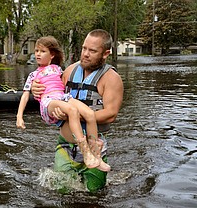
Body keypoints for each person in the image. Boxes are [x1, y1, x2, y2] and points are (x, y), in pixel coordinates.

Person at [31, 29, 124, 192]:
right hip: (65, 146)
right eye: (84, 48)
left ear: (105, 54)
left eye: (92, 51)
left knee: (94, 194)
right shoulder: (69, 71)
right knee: (62, 191)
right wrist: (35, 89)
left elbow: (111, 114)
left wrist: (75, 116)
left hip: (94, 147)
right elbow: (51, 95)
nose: (86, 54)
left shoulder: (111, 78)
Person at [16, 36, 110, 172]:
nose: (37, 54)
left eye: (42, 51)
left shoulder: (58, 70)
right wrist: (20, 116)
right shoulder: (33, 75)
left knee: (90, 114)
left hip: (62, 97)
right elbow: (25, 95)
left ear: (52, 55)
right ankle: (86, 153)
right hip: (49, 101)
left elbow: (62, 82)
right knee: (72, 110)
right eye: (36, 50)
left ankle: (97, 156)